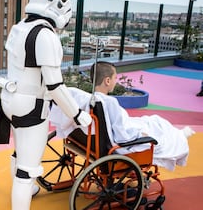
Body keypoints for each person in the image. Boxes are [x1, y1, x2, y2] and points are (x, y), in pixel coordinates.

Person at [0, 0, 92, 210]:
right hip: (32, 105)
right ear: (56, 1)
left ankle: (28, 191)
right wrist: (77, 114)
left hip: (9, 100)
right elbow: (54, 86)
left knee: (19, 154)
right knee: (27, 168)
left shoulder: (21, 26)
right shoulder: (46, 36)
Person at [50, 61, 195, 171]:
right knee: (157, 127)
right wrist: (139, 134)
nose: (115, 81)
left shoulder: (82, 99)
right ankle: (179, 136)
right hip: (115, 141)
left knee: (154, 120)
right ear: (107, 81)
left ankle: (178, 133)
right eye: (114, 78)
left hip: (87, 140)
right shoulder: (109, 102)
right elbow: (122, 135)